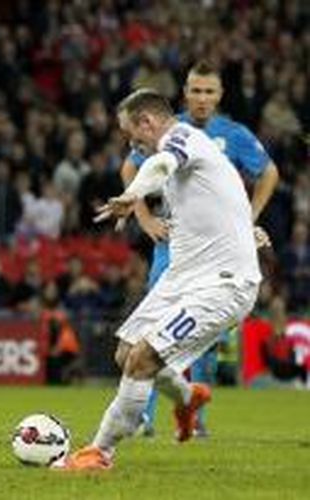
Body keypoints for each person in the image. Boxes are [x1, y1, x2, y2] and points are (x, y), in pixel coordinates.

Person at [58, 89, 261, 470]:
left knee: (142, 359)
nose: (132, 144)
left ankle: (99, 452)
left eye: (132, 135)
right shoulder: (189, 153)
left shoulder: (180, 138)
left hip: (223, 284)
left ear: (148, 122)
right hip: (183, 277)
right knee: (125, 352)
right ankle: (187, 399)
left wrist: (132, 193)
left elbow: (162, 164)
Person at [120, 61, 279, 436]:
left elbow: (269, 173)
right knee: (152, 336)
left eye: (209, 91)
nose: (202, 98)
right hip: (174, 248)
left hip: (218, 253)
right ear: (185, 93)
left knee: (201, 339)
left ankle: (193, 415)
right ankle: (145, 418)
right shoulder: (164, 127)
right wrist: (144, 219)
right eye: (195, 90)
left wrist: (247, 220)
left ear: (220, 95)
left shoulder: (234, 134)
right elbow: (132, 170)